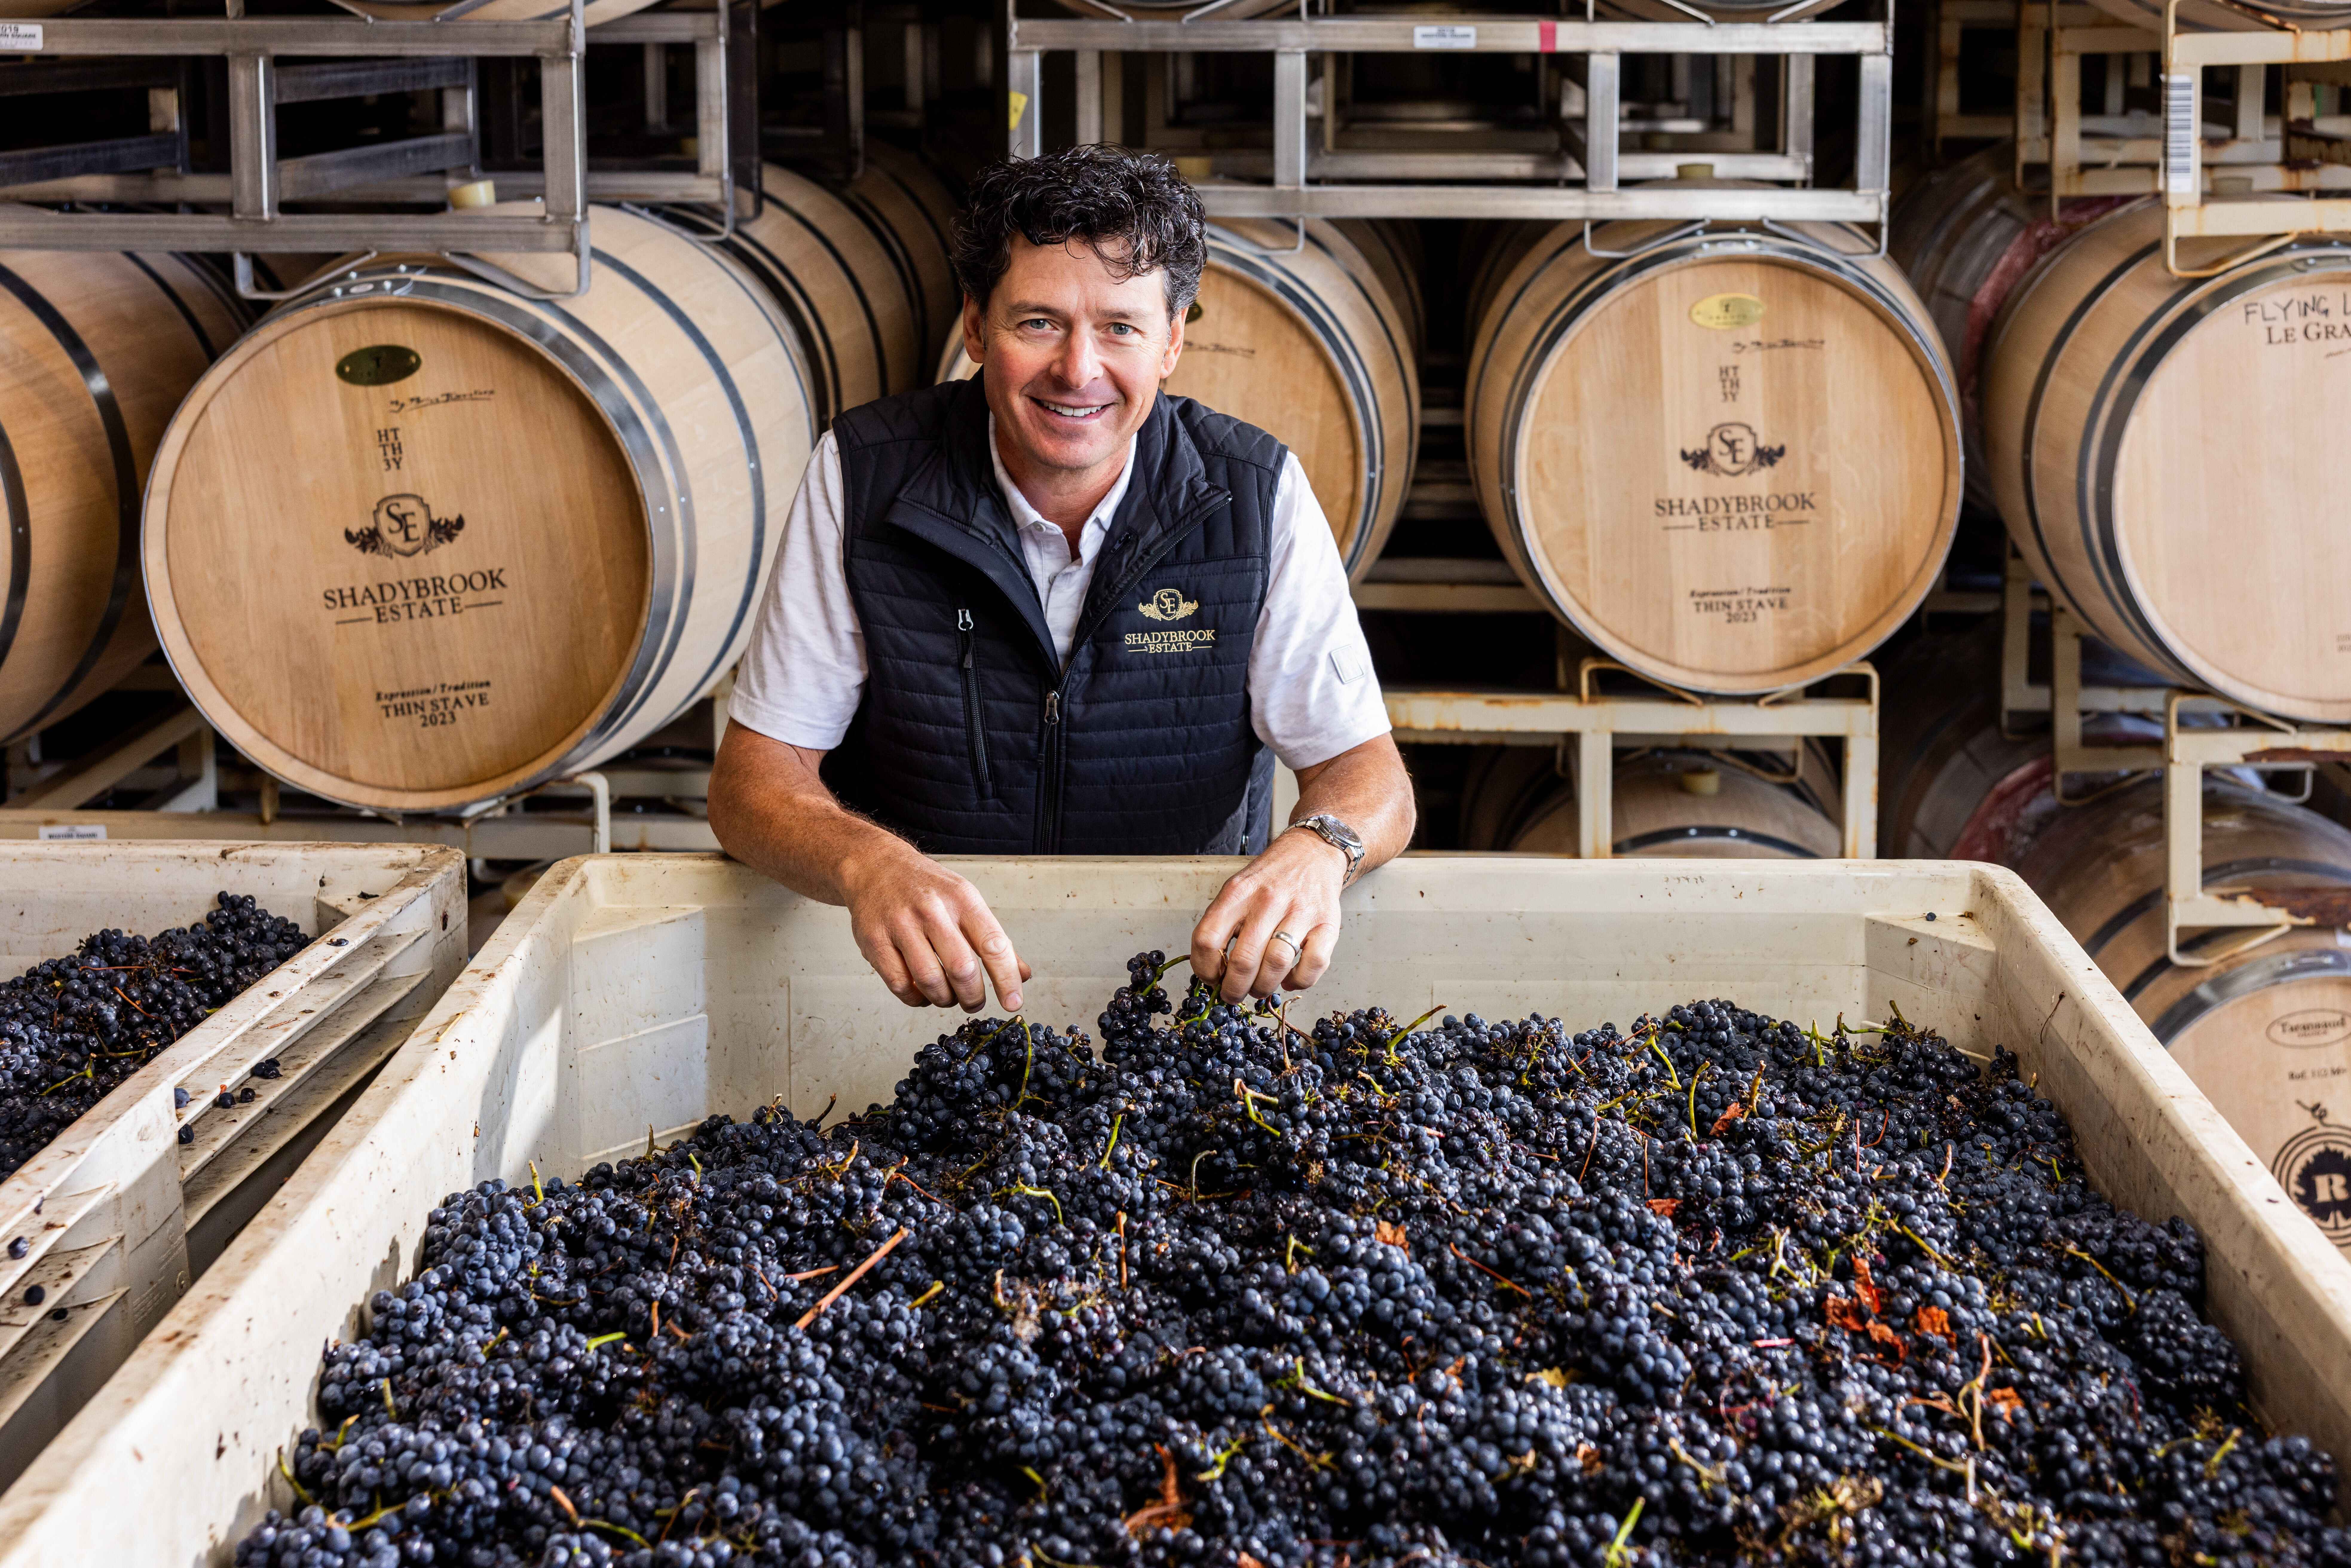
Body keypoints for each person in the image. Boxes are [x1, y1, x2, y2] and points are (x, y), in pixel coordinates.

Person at [707, 144, 1414, 1017]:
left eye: (1119, 326)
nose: (1077, 370)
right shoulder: (864, 476)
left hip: (1173, 992)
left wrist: (1320, 845)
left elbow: (1368, 774)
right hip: (916, 994)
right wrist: (869, 864)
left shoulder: (1253, 492)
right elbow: (752, 783)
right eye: (1037, 322)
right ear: (974, 328)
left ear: (1172, 340)